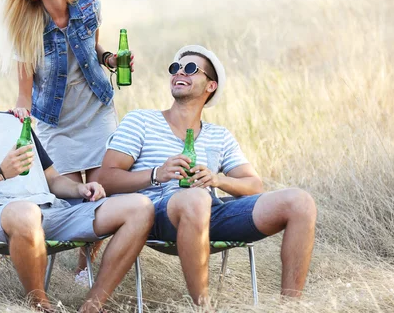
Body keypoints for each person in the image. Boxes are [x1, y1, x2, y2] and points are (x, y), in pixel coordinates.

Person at [0, 42, 153, 313]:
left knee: (139, 207)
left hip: (52, 212)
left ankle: (93, 305)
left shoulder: (16, 120)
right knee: (25, 212)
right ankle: (41, 305)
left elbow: (52, 179)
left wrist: (80, 190)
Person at [97, 45, 317, 305]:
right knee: (196, 199)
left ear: (210, 86)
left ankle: (291, 306)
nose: (180, 72)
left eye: (190, 69)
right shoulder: (140, 121)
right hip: (155, 213)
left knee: (300, 202)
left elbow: (254, 185)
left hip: (209, 213)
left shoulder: (219, 135)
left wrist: (217, 179)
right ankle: (203, 307)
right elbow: (105, 179)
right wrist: (158, 174)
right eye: (175, 68)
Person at [0, 0, 134, 276]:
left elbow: (92, 47)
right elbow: (24, 93)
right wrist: (18, 119)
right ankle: (74, 265)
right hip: (56, 122)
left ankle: (86, 265)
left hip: (96, 111)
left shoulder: (89, 3)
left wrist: (111, 60)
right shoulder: (25, 28)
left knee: (103, 194)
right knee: (74, 201)